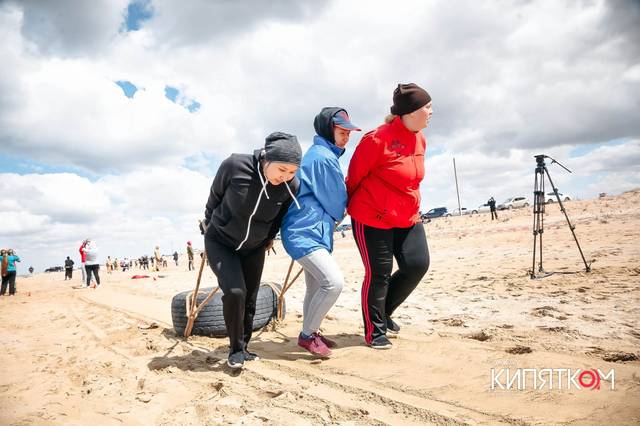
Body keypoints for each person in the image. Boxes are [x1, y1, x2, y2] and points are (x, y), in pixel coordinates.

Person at [202, 131, 301, 369]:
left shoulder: (291, 186)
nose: (286, 177)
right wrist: (208, 224)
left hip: (254, 247)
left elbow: (279, 217)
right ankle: (235, 350)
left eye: (292, 172)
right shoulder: (235, 166)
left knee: (250, 298)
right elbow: (214, 198)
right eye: (282, 169)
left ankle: (244, 348)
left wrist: (269, 237)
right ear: (267, 159)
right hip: (221, 242)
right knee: (236, 292)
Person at [346, 83, 432, 349]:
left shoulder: (420, 138)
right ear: (411, 112)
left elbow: (412, 180)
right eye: (427, 107)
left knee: (417, 265)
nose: (431, 112)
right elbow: (354, 177)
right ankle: (375, 331)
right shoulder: (376, 139)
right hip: (372, 216)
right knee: (379, 274)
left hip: (407, 216)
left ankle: (384, 312)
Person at [281, 108, 361, 357]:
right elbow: (337, 203)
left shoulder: (322, 154)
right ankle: (307, 335)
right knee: (333, 283)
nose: (347, 136)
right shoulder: (323, 157)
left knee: (315, 289)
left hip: (311, 231)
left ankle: (312, 331)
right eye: (342, 131)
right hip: (304, 232)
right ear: (328, 130)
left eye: (349, 132)